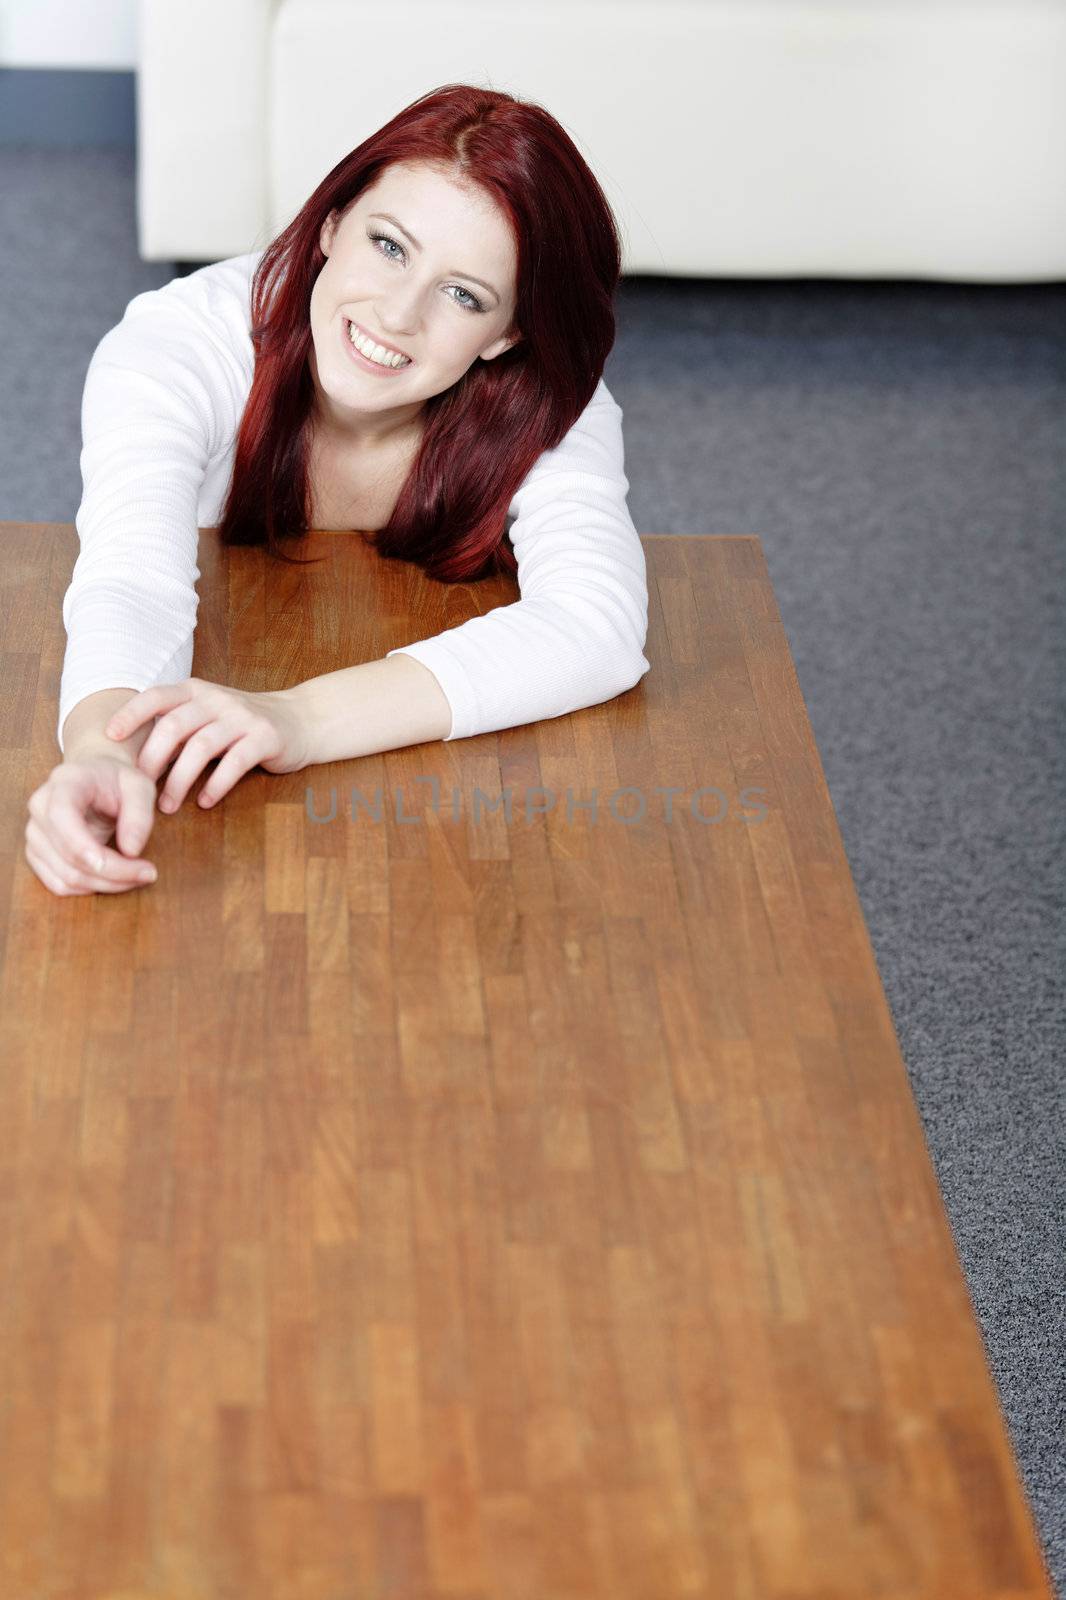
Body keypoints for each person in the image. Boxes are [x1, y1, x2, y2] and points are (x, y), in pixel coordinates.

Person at [23, 82, 651, 898]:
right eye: (389, 246)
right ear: (329, 225)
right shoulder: (178, 343)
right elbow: (131, 575)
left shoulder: (553, 400)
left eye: (464, 295)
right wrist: (103, 749)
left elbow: (595, 627)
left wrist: (300, 720)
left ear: (507, 334)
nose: (397, 314)